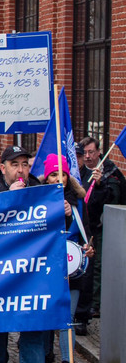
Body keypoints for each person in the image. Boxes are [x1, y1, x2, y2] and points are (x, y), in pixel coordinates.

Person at [0, 145, 45, 363]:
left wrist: (65, 213)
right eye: (15, 165)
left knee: (33, 332)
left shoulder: (38, 188)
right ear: (3, 168)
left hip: (30, 274)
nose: (21, 170)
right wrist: (7, 199)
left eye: (24, 164)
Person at [40, 154, 94, 363]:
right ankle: (45, 355)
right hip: (46, 268)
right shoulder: (38, 199)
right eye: (53, 174)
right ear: (47, 178)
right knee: (46, 317)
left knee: (67, 319)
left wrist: (89, 248)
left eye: (62, 174)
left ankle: (67, 359)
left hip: (73, 269)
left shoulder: (79, 201)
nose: (58, 179)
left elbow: (86, 232)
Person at [78, 136, 121, 320]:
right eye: (84, 153)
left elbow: (114, 199)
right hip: (81, 225)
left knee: (96, 265)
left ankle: (94, 305)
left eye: (91, 152)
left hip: (100, 226)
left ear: (98, 152)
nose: (87, 156)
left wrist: (101, 184)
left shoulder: (109, 171)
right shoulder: (78, 172)